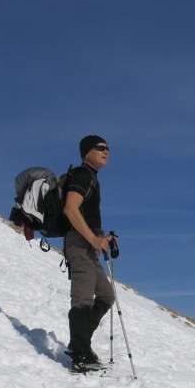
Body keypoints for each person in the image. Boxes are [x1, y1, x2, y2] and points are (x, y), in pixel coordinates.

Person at [63, 135, 114, 372]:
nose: (106, 151)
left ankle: (78, 343)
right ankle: (80, 355)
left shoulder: (91, 178)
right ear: (86, 153)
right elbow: (70, 207)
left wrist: (100, 238)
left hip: (89, 244)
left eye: (108, 148)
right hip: (80, 243)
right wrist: (92, 238)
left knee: (106, 296)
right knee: (83, 300)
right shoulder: (83, 175)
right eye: (100, 148)